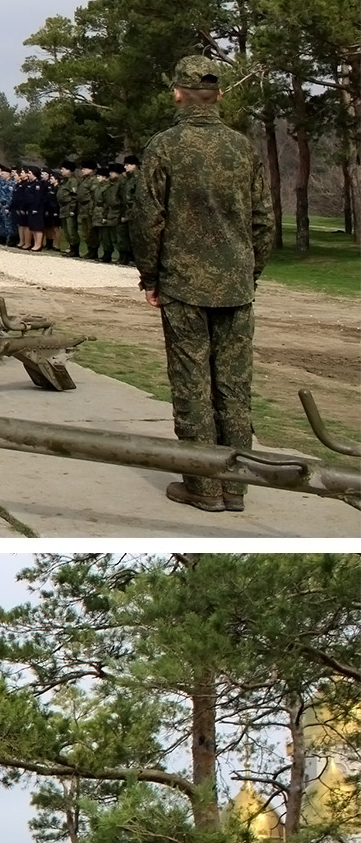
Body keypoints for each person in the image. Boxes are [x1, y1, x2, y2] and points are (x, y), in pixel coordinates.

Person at [130, 55, 271, 513]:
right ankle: (236, 484)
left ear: (177, 93)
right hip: (234, 285)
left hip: (185, 284)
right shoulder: (242, 148)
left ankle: (204, 485)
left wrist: (150, 276)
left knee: (192, 384)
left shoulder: (165, 147)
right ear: (219, 96)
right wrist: (249, 271)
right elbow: (264, 219)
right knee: (234, 385)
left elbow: (149, 219)